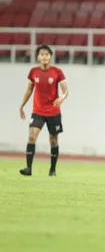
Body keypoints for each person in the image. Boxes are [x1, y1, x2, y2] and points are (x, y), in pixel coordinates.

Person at [18, 45, 69, 176]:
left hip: (53, 112)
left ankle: (52, 170)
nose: (44, 57)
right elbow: (29, 90)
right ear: (37, 57)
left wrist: (62, 98)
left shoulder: (57, 72)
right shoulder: (33, 72)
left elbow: (66, 91)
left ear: (50, 56)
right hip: (38, 111)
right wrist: (21, 106)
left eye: (47, 54)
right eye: (42, 54)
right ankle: (28, 168)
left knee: (53, 140)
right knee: (31, 136)